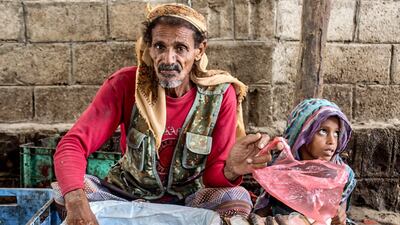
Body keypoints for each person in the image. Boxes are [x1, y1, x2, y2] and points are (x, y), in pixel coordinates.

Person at [52, 3, 275, 225]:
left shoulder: (220, 95)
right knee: (67, 191)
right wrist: (77, 202)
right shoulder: (126, 84)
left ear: (199, 50)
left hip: (189, 201)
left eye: (180, 48)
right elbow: (73, 145)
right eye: (160, 46)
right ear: (149, 48)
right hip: (126, 195)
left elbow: (212, 178)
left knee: (236, 199)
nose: (168, 59)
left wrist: (230, 169)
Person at [254, 99, 357, 225]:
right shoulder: (279, 170)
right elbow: (259, 216)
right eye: (323, 131)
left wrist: (340, 218)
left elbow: (338, 215)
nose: (332, 141)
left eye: (336, 133)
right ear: (302, 134)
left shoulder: (343, 175)